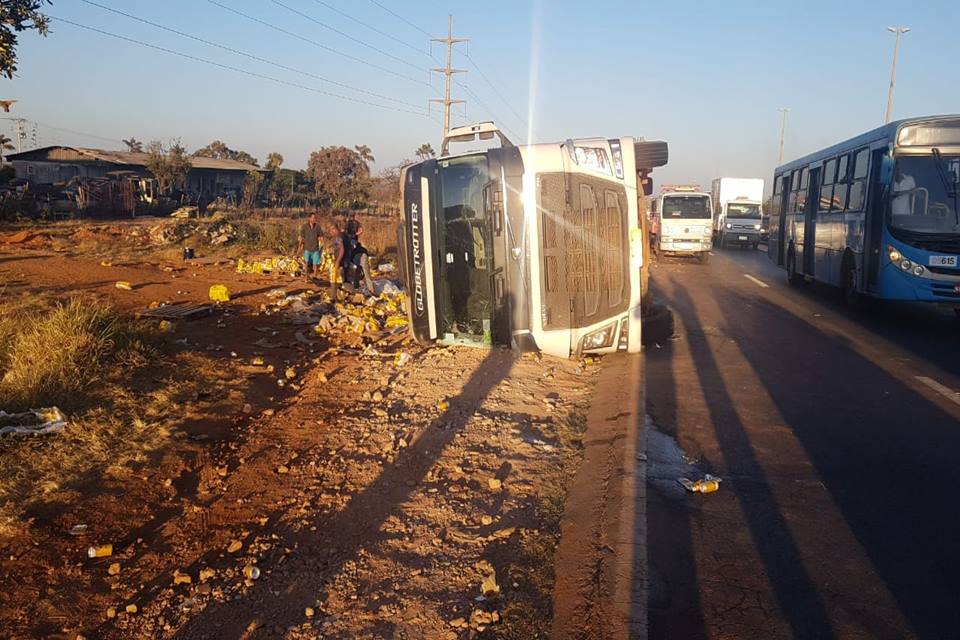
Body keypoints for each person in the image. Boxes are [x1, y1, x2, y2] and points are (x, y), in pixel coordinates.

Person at [345, 218, 376, 293]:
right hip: (360, 258)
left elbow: (352, 245)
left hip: (360, 258)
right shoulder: (353, 239)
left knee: (361, 273)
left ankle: (367, 290)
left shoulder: (350, 241)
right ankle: (365, 289)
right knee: (363, 274)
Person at [297, 212, 323, 280]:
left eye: (315, 218)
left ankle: (315, 276)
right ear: (309, 218)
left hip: (315, 248)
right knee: (306, 263)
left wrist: (322, 245)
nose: (314, 219)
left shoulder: (318, 227)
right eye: (313, 217)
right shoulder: (305, 227)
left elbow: (320, 236)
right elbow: (302, 237)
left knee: (315, 264)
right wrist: (300, 247)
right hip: (307, 248)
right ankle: (306, 277)